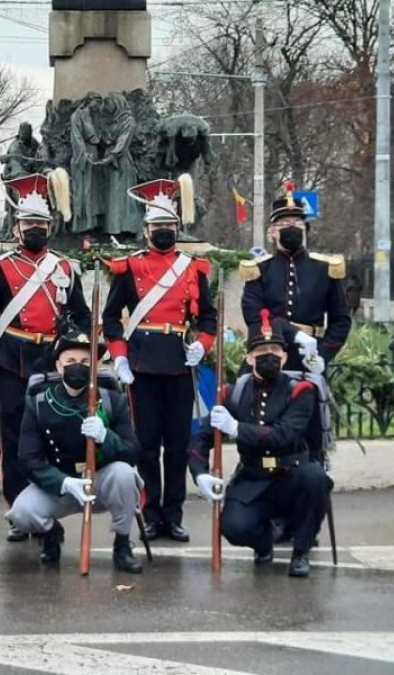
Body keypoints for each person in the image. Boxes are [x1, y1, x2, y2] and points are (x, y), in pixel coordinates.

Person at [0, 169, 91, 541]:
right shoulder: (0, 268)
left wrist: (81, 346)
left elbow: (82, 314)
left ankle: (46, 505)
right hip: (12, 361)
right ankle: (17, 511)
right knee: (14, 438)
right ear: (17, 228)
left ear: (49, 226)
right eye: (28, 223)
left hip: (53, 362)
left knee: (52, 434)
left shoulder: (64, 267)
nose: (35, 228)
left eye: (41, 222)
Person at [102, 175, 218, 542]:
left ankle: (175, 515)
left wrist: (203, 343)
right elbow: (110, 317)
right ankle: (151, 514)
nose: (164, 231)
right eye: (157, 226)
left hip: (180, 365)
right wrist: (119, 357)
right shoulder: (130, 267)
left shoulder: (192, 268)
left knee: (179, 446)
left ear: (178, 227)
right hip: (141, 366)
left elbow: (209, 316)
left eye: (169, 225)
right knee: (147, 445)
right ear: (146, 229)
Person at [189, 311, 330, 577]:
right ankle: (264, 544)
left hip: (291, 476)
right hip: (253, 479)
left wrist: (235, 428)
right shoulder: (233, 393)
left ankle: (301, 552)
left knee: (315, 477)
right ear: (249, 357)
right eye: (262, 350)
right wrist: (200, 474)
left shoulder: (300, 391)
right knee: (233, 527)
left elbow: (283, 435)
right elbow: (201, 439)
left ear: (285, 356)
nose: (270, 355)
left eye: (275, 350)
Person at [5, 329, 144, 573]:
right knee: (21, 513)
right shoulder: (38, 404)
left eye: (84, 362)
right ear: (58, 366)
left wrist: (106, 437)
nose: (76, 367)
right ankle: (51, 533)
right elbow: (28, 459)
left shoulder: (112, 401)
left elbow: (133, 452)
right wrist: (64, 482)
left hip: (101, 482)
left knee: (124, 474)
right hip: (62, 484)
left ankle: (122, 543)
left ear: (94, 367)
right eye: (70, 361)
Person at [240, 182, 351, 374]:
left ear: (305, 229)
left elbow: (341, 320)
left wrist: (323, 355)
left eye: (297, 223)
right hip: (266, 356)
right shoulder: (260, 269)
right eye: (284, 224)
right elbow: (254, 315)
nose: (291, 227)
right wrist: (296, 334)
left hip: (309, 356)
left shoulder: (324, 268)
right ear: (273, 232)